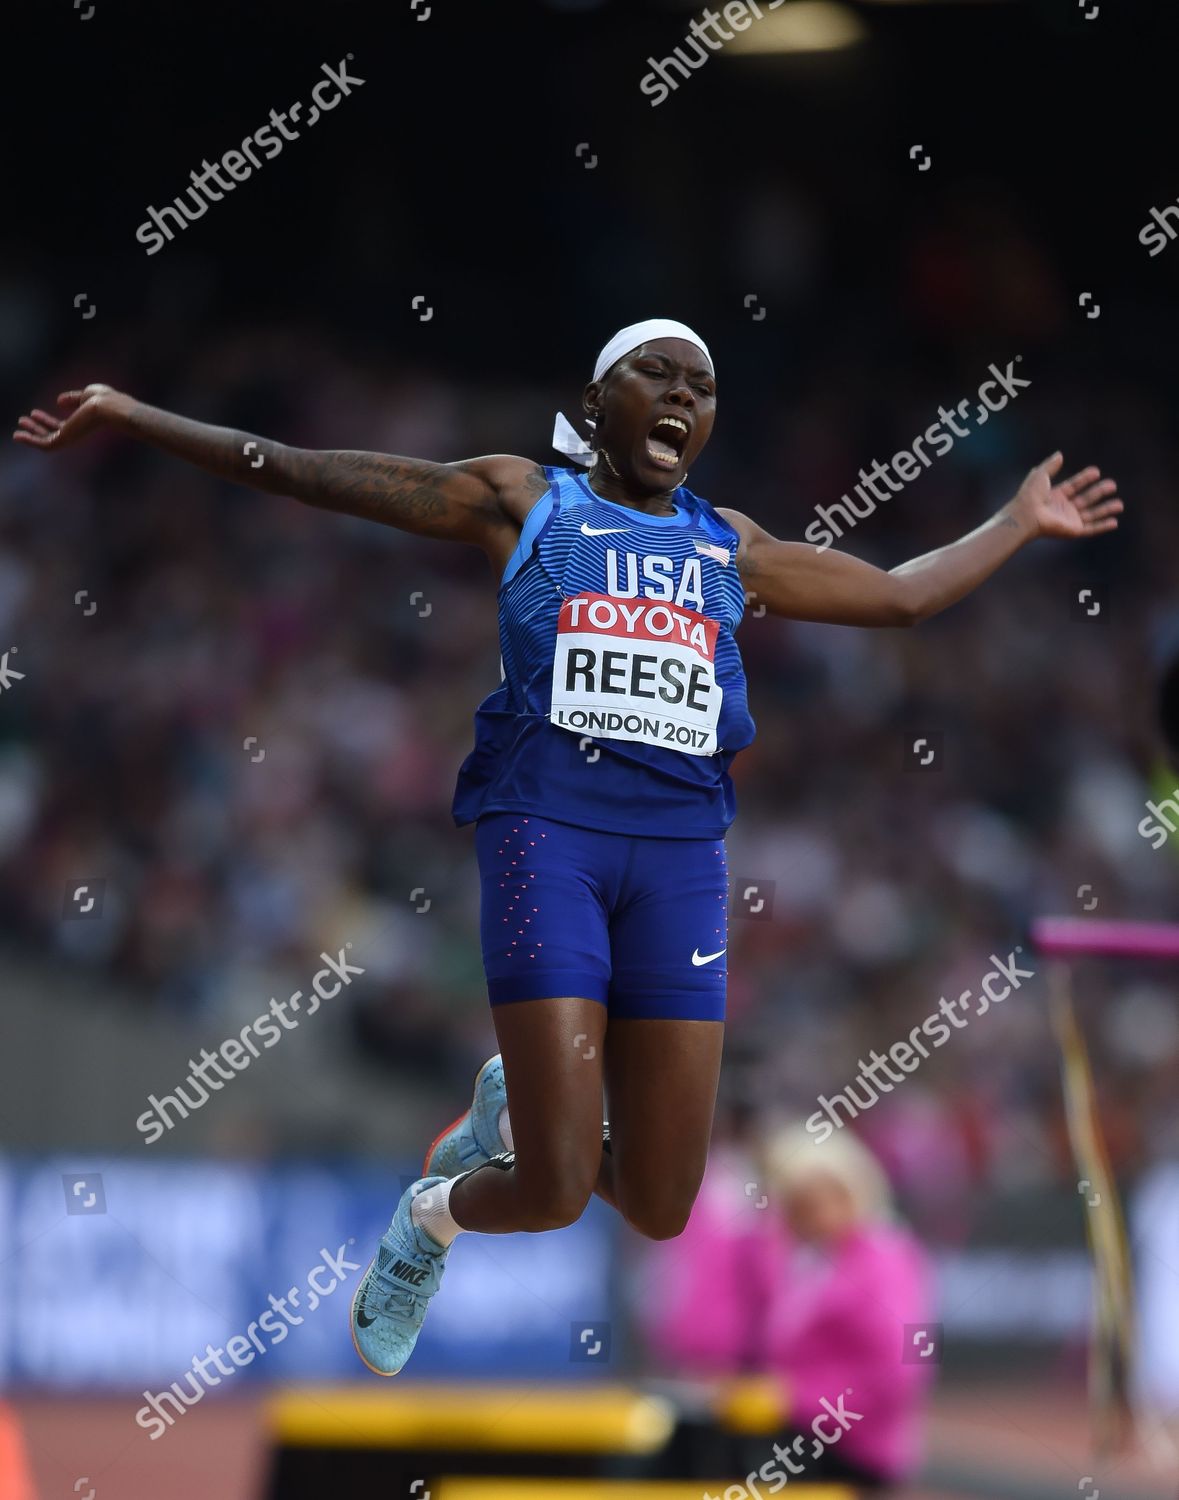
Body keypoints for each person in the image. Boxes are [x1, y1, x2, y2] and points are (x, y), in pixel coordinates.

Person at [13, 318, 1123, 1377]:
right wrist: (136, 414)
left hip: (684, 860)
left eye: (703, 386)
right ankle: (431, 1218)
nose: (684, 397)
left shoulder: (728, 545)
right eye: (659, 373)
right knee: (546, 1188)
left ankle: (502, 1109)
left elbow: (896, 599)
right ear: (599, 403)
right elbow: (303, 468)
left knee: (659, 1201)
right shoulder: (524, 499)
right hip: (549, 837)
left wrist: (1020, 520)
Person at [641, 1123, 935, 1491]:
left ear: (850, 1191)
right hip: (800, 1430)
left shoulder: (881, 1261)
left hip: (851, 1447)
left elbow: (895, 1376)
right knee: (681, 1444)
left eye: (812, 1201)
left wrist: (792, 1396)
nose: (799, 1216)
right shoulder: (797, 1260)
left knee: (711, 1460)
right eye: (792, 1204)